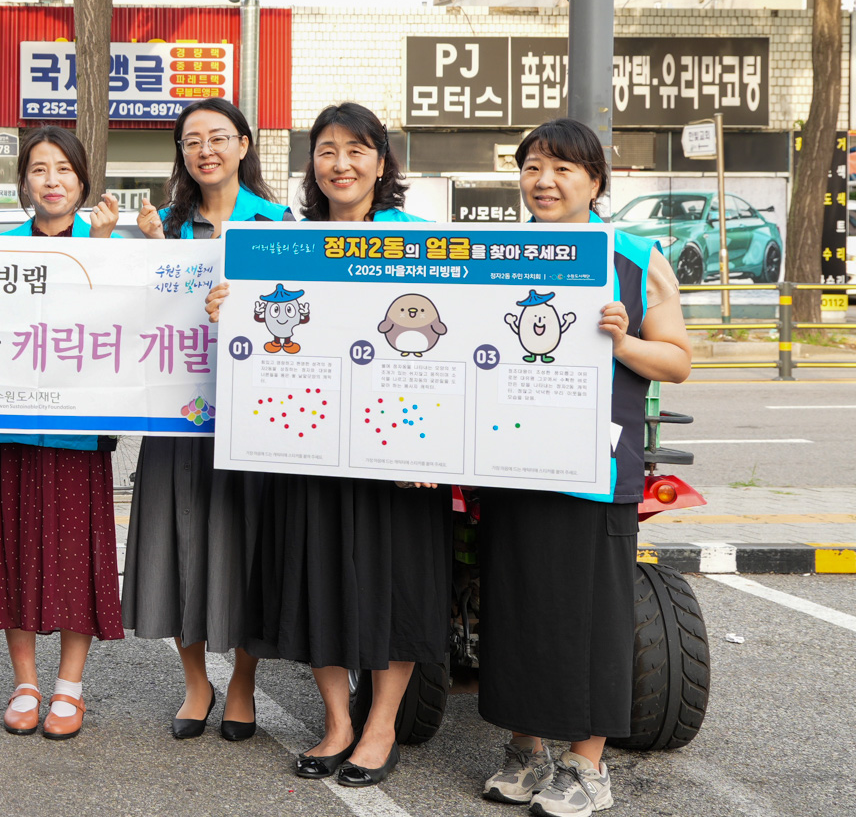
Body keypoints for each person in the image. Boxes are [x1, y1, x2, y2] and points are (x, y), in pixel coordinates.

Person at [223, 102, 449, 787]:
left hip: (400, 448)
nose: (341, 163)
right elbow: (263, 331)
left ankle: (381, 726)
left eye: (356, 149)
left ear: (381, 162)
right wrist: (228, 308)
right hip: (309, 446)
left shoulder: (422, 240)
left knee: (396, 585)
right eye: (327, 149)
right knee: (316, 578)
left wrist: (435, 449)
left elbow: (452, 344)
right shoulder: (288, 242)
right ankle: (337, 722)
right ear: (311, 163)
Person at [477, 118, 690, 817]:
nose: (544, 181)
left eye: (562, 168)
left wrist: (624, 342)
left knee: (592, 613)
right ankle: (526, 748)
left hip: (596, 467)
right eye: (532, 167)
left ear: (595, 180)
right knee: (516, 604)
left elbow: (677, 362)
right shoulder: (495, 254)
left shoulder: (635, 257)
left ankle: (587, 763)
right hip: (512, 459)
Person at [124, 96, 289, 742]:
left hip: (255, 419)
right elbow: (129, 315)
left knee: (250, 550)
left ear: (244, 145)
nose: (205, 150)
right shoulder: (163, 225)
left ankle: (242, 682)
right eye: (192, 140)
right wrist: (149, 252)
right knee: (175, 547)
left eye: (218, 137)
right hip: (176, 417)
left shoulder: (278, 223)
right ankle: (197, 682)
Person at [0, 126, 123, 740]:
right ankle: (26, 683)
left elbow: (127, 329)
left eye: (64, 169)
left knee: (75, 556)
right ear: (23, 183)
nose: (52, 180)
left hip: (81, 435)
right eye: (39, 169)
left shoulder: (111, 247)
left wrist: (107, 250)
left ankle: (70, 687)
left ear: (83, 182)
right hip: (8, 430)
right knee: (13, 550)